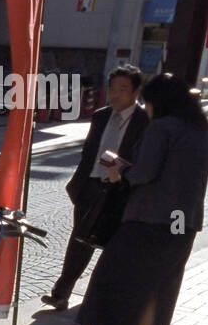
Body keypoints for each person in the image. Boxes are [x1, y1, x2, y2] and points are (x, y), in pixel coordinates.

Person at [66, 73, 208, 325]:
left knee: (108, 275)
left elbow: (145, 173)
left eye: (147, 101)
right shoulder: (202, 131)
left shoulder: (162, 128)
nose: (145, 108)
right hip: (182, 223)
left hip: (150, 219)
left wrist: (120, 171)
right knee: (157, 286)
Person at [42, 64, 147, 310]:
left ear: (135, 91)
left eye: (123, 89)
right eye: (112, 88)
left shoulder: (145, 121)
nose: (116, 94)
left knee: (113, 245)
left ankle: (102, 298)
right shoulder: (101, 116)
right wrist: (78, 185)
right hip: (90, 186)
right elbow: (88, 153)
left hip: (120, 191)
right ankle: (61, 293)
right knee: (79, 240)